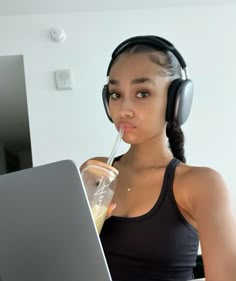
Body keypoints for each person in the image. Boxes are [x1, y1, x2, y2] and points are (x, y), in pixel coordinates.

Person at [81, 35, 236, 281]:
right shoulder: (95, 172)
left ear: (177, 101)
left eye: (142, 93)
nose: (124, 109)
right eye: (115, 94)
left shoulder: (202, 184)